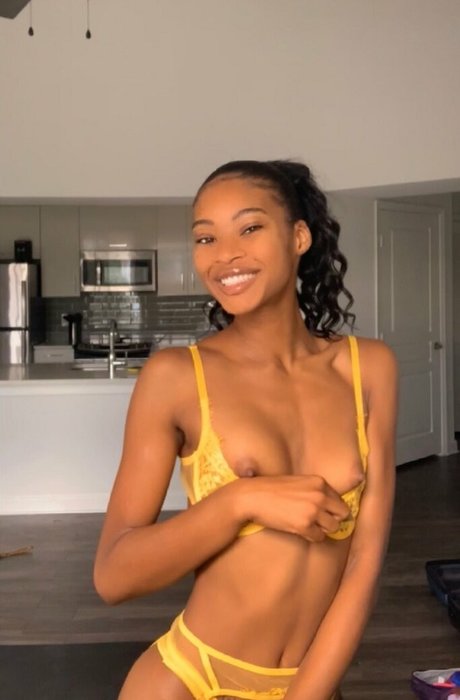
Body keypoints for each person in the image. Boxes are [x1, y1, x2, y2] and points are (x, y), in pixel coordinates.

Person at [93, 159, 398, 700]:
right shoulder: (175, 378)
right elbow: (114, 576)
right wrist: (242, 501)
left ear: (298, 236)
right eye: (205, 238)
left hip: (312, 684)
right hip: (188, 681)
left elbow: (363, 564)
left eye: (250, 228)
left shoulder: (369, 369)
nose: (225, 255)